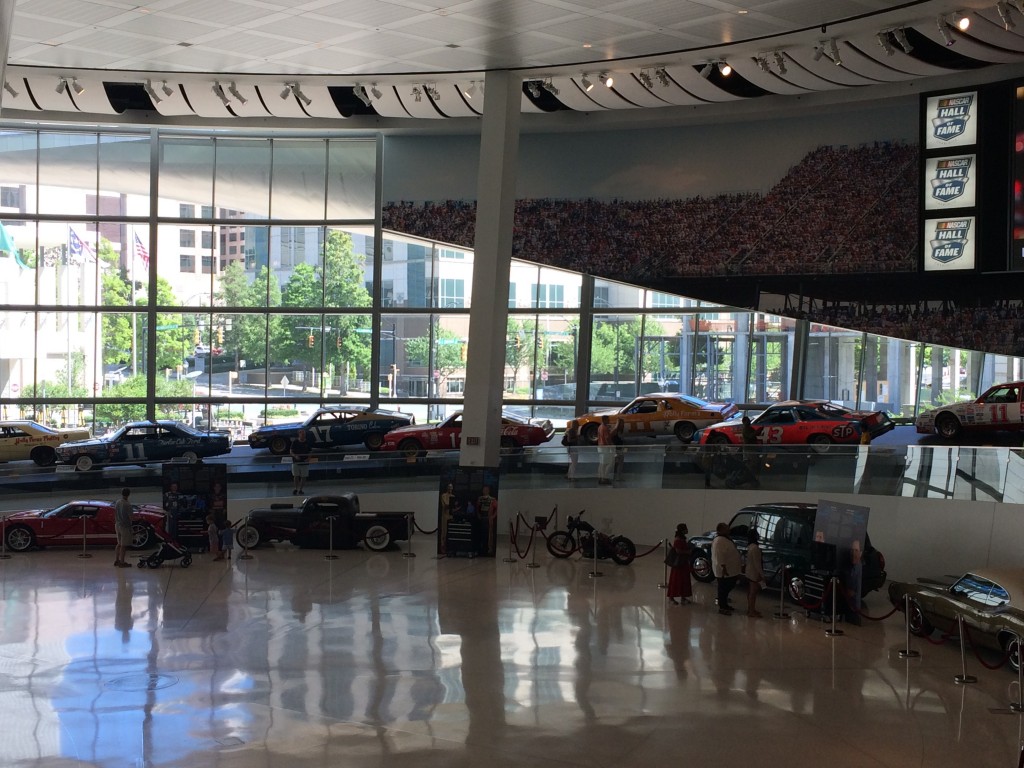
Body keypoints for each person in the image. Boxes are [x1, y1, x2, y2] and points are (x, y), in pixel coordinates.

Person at [710, 522, 742, 615]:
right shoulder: (719, 541)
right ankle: (722, 607)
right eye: (726, 528)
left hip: (731, 570)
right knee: (723, 588)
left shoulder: (726, 539)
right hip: (724, 570)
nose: (729, 529)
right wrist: (723, 567)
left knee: (729, 586)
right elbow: (719, 555)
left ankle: (725, 604)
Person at [667, 523, 693, 605]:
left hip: (683, 562)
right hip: (679, 564)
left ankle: (683, 597)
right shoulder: (678, 539)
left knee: (684, 580)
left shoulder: (682, 539)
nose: (687, 530)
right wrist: (688, 552)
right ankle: (671, 597)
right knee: (676, 580)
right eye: (685, 528)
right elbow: (678, 551)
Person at [843, 538, 864, 625]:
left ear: (861, 552)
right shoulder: (851, 566)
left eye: (856, 550)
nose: (853, 553)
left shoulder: (858, 567)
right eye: (852, 550)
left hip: (854, 607)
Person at [745, 530, 764, 618]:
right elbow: (757, 563)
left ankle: (750, 609)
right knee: (753, 593)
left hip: (749, 571)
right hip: (754, 572)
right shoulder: (755, 548)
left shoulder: (750, 547)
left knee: (750, 592)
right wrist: (761, 574)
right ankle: (751, 611)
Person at [113, 487, 133, 568]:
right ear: (129, 494)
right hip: (125, 526)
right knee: (123, 545)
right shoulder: (127, 504)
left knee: (119, 543)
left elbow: (115, 513)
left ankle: (117, 560)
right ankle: (122, 562)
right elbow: (131, 517)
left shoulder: (118, 502)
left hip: (117, 524)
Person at [476, 485, 498, 554]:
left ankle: (489, 548)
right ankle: (481, 546)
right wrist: (478, 514)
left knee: (489, 534)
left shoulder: (492, 499)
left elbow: (497, 509)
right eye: (484, 489)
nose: (484, 491)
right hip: (482, 518)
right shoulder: (480, 498)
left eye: (486, 489)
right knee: (481, 532)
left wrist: (493, 516)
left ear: (488, 490)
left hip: (488, 518)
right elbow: (477, 507)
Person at [290, 429, 311, 496]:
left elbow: (310, 452)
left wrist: (308, 458)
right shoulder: (295, 442)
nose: (303, 435)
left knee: (303, 476)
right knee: (296, 476)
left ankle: (301, 489)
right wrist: (295, 456)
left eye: (304, 434)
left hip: (304, 462)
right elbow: (291, 451)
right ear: (299, 434)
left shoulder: (307, 442)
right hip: (296, 462)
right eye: (302, 434)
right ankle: (296, 488)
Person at [596, 414, 615, 485]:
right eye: (608, 419)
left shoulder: (600, 427)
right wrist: (611, 446)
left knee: (601, 463)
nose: (609, 421)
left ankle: (600, 477)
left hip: (600, 447)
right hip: (605, 447)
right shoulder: (605, 428)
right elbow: (607, 438)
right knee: (607, 463)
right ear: (604, 420)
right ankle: (604, 478)